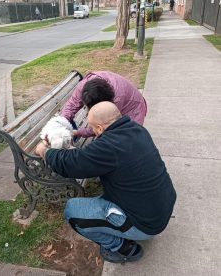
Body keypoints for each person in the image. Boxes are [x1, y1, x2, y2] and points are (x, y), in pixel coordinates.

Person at [36, 101, 177, 263]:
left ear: (101, 128)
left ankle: (123, 248)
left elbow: (72, 165)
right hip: (160, 209)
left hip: (146, 224)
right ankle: (127, 230)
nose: (94, 133)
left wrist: (45, 151)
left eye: (93, 128)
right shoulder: (137, 130)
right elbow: (91, 158)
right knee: (99, 200)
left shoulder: (109, 146)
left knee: (72, 211)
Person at [60, 71, 147, 138]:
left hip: (134, 109)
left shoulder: (115, 101)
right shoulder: (84, 86)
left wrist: (78, 132)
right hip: (121, 96)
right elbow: (72, 104)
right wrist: (61, 121)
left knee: (124, 141)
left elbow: (102, 127)